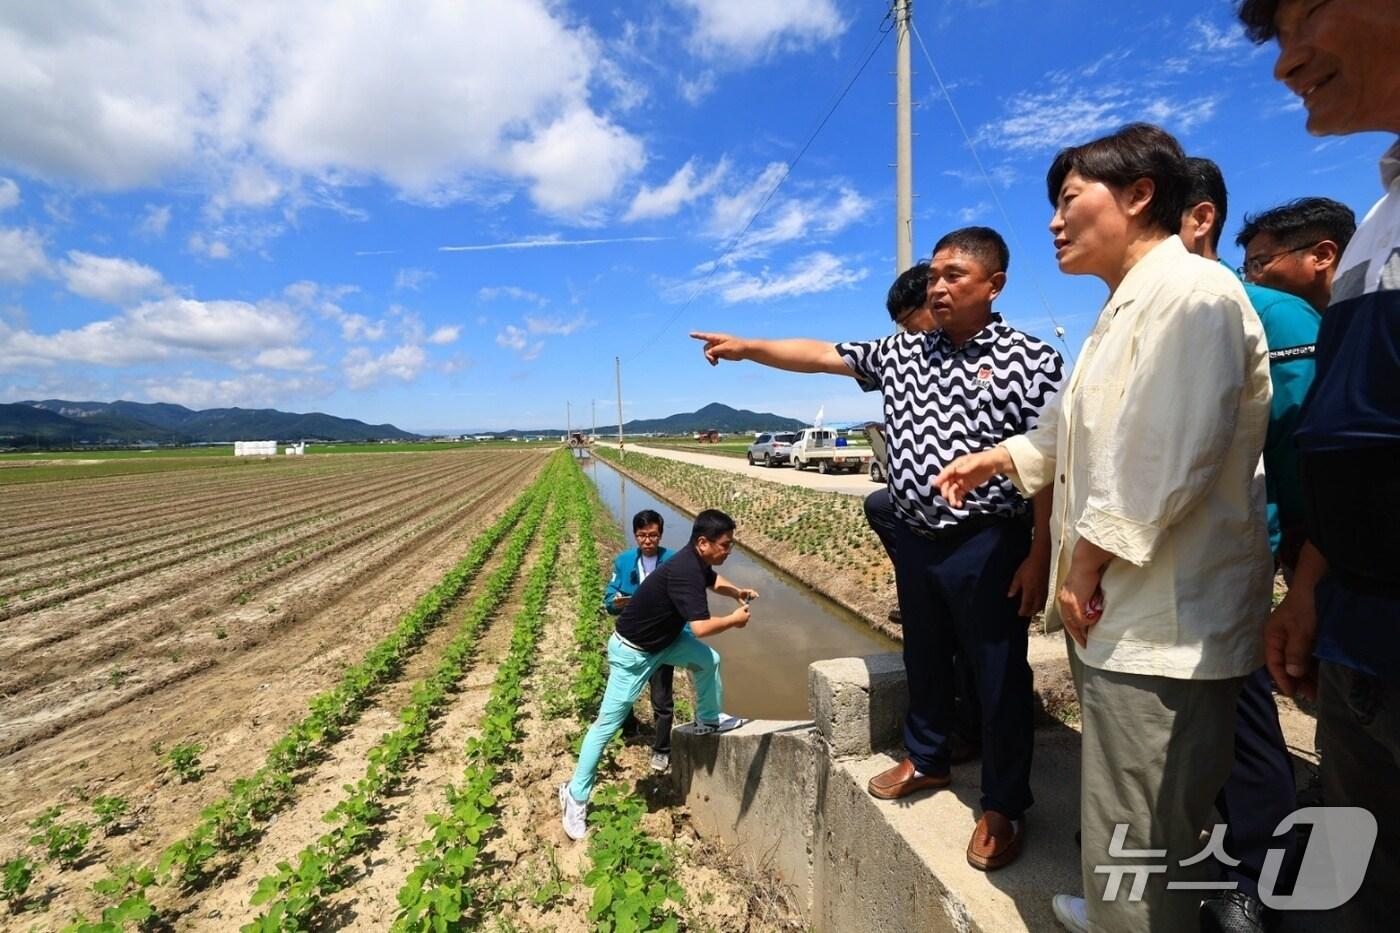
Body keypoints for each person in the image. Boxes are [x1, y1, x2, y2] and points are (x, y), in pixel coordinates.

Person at [934, 124, 1272, 932]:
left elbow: (1162, 458)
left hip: (1163, 616)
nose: (1054, 220)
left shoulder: (1190, 294)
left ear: (1139, 194)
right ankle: (1119, 909)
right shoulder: (1124, 307)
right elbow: (1071, 431)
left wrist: (1080, 567)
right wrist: (995, 459)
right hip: (1130, 610)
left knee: (1148, 811)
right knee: (1130, 803)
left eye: (1068, 199)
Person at [693, 226, 1063, 872]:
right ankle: (926, 756)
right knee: (923, 653)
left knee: (1000, 673)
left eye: (954, 276)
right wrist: (749, 347)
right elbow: (818, 354)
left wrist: (1041, 554)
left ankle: (1003, 806)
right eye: (935, 276)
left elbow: (1051, 462)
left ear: (993, 285)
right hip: (918, 540)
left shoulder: (1029, 359)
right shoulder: (903, 351)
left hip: (990, 543)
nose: (939, 287)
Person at [1238, 3, 1400, 929]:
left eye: (1308, 15)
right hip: (1356, 631)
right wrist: (1308, 588)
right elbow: (1341, 448)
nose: (1286, 62)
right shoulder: (1381, 222)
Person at [1178, 156, 1308, 933]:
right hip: (1154, 572)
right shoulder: (1151, 318)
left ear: (1198, 220)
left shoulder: (1265, 313)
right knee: (1195, 723)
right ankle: (1221, 852)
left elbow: (1304, 451)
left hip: (1231, 561)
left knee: (1241, 716)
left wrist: (1305, 568)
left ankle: (1261, 877)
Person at [561, 509, 755, 840]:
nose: (728, 550)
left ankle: (708, 718)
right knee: (606, 727)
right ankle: (575, 795)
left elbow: (714, 580)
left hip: (665, 642)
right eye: (726, 545)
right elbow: (701, 627)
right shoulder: (684, 573)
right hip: (633, 653)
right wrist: (733, 620)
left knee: (709, 661)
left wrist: (735, 592)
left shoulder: (696, 561)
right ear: (704, 543)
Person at [865, 260, 983, 763]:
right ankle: (936, 740)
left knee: (978, 648)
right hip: (927, 533)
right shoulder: (910, 358)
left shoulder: (999, 358)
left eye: (909, 317)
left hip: (979, 533)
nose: (906, 330)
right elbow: (825, 356)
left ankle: (975, 736)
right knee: (879, 503)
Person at [1232, 196, 1355, 570]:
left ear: (1322, 255)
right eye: (1247, 266)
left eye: (1260, 263)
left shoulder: (1361, 322)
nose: (1251, 278)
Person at [605, 509, 677, 773]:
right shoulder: (624, 562)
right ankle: (630, 726)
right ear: (635, 535)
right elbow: (609, 597)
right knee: (623, 695)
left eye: (653, 535)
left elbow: (685, 600)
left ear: (660, 534)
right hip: (631, 644)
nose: (648, 541)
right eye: (642, 535)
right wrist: (615, 603)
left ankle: (662, 749)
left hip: (661, 643)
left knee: (662, 700)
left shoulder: (673, 561)